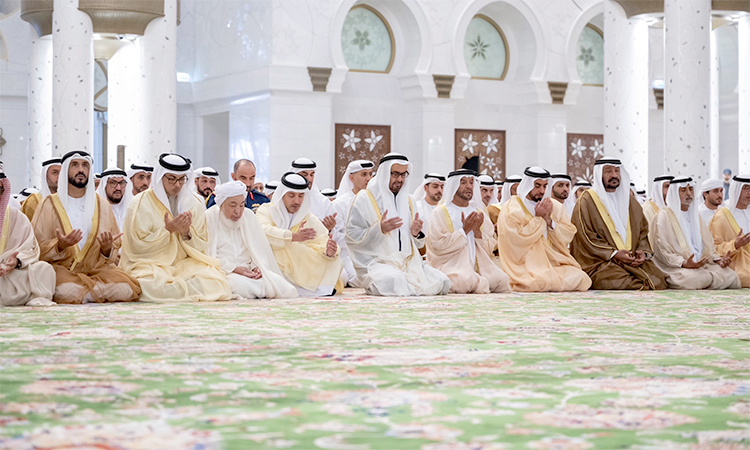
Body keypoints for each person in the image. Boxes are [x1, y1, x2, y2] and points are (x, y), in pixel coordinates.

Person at [120, 153, 233, 302]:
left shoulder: (194, 204)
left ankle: (176, 292)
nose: (177, 184)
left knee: (216, 281)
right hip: (151, 264)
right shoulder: (140, 203)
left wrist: (186, 233)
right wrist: (168, 230)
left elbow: (202, 245)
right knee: (149, 284)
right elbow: (137, 246)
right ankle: (180, 291)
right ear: (160, 177)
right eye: (172, 179)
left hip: (184, 263)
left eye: (181, 179)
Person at [31, 150, 141, 303]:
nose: (81, 169)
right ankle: (94, 294)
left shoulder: (102, 204)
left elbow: (113, 249)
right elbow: (36, 246)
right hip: (63, 270)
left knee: (126, 289)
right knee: (64, 290)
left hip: (96, 270)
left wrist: (106, 248)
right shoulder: (48, 204)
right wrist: (60, 246)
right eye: (74, 165)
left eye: (85, 165)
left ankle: (87, 294)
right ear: (66, 170)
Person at [345, 153, 451, 297]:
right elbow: (352, 235)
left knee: (443, 282)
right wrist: (379, 229)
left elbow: (417, 246)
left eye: (403, 174)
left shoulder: (409, 200)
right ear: (384, 173)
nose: (400, 179)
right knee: (395, 281)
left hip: (409, 264)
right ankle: (375, 284)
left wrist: (415, 234)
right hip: (378, 263)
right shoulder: (365, 198)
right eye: (395, 174)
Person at [570, 157, 667, 290]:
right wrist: (614, 254)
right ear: (599, 174)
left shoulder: (630, 201)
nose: (614, 175)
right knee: (617, 281)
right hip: (601, 261)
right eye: (608, 171)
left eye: (617, 171)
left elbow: (642, 232)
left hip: (631, 259)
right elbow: (585, 236)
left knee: (658, 279)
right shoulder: (586, 201)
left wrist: (643, 253)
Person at [497, 167, 591, 292]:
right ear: (527, 185)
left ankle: (550, 279)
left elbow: (569, 232)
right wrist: (538, 219)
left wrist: (549, 222)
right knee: (538, 281)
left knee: (582, 278)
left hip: (553, 262)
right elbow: (515, 241)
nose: (541, 190)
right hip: (526, 264)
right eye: (537, 186)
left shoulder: (554, 206)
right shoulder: (511, 209)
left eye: (545, 186)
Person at [206, 181, 298, 299]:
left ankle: (258, 291)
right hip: (226, 272)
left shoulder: (248, 216)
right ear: (221, 205)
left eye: (241, 205)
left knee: (285, 288)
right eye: (233, 205)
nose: (238, 211)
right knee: (237, 285)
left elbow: (259, 249)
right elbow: (207, 255)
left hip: (251, 272)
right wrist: (235, 269)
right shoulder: (210, 217)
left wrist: (257, 267)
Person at [256, 172, 343, 296]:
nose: (296, 201)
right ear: (282, 195)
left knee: (335, 260)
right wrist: (292, 236)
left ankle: (318, 289)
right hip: (273, 262)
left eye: (301, 196)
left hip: (301, 265)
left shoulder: (308, 217)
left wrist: (328, 251)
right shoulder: (266, 211)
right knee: (288, 246)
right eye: (291, 195)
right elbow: (263, 231)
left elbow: (322, 239)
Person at [426, 169, 510, 294]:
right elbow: (438, 245)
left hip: (480, 265)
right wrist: (464, 231)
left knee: (502, 280)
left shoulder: (478, 211)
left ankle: (477, 279)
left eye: (471, 182)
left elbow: (490, 246)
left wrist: (477, 232)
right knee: (463, 281)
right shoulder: (440, 212)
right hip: (451, 266)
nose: (468, 186)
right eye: (463, 182)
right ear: (453, 185)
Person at [650, 177, 739, 290]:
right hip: (677, 267)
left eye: (691, 189)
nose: (688, 193)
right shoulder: (664, 216)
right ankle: (708, 280)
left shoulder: (695, 215)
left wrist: (718, 260)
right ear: (674, 192)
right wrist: (684, 263)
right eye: (683, 190)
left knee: (732, 276)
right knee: (692, 279)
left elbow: (707, 245)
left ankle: (707, 280)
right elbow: (661, 249)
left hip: (702, 265)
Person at [0, 170, 56, 306]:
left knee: (44, 269)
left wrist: (17, 261)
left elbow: (31, 247)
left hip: (9, 272)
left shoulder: (16, 216)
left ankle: (37, 298)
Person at [331, 160, 374, 287]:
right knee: (363, 281)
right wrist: (361, 240)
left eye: (370, 174)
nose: (368, 179)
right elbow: (337, 236)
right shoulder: (339, 204)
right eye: (364, 174)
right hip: (349, 254)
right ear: (351, 177)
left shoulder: (374, 200)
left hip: (372, 253)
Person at [709, 174, 750, 287]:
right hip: (737, 263)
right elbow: (713, 247)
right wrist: (735, 244)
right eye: (745, 188)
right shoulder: (722, 216)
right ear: (736, 189)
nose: (749, 192)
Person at [287, 158, 337, 230]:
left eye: (311, 175)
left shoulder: (324, 202)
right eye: (304, 175)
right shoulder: (284, 200)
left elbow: (335, 233)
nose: (309, 179)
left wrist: (328, 229)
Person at [21, 157, 61, 221]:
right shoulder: (34, 201)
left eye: (62, 173)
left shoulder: (70, 200)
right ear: (45, 176)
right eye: (55, 173)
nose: (59, 177)